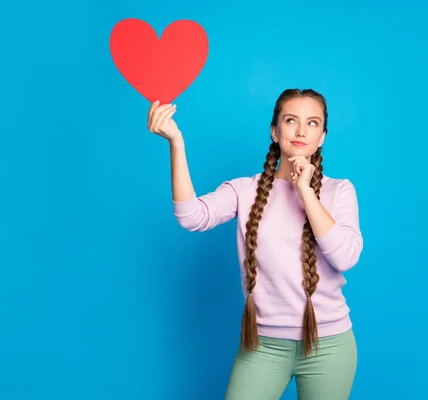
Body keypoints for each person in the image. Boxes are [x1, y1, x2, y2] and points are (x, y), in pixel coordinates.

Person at [147, 88, 363, 400]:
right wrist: (176, 143)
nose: (302, 131)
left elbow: (345, 257)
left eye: (313, 123)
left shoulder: (339, 191)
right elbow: (191, 216)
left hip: (329, 346)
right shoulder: (244, 190)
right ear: (275, 132)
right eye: (291, 121)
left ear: (323, 137)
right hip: (262, 345)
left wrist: (305, 191)